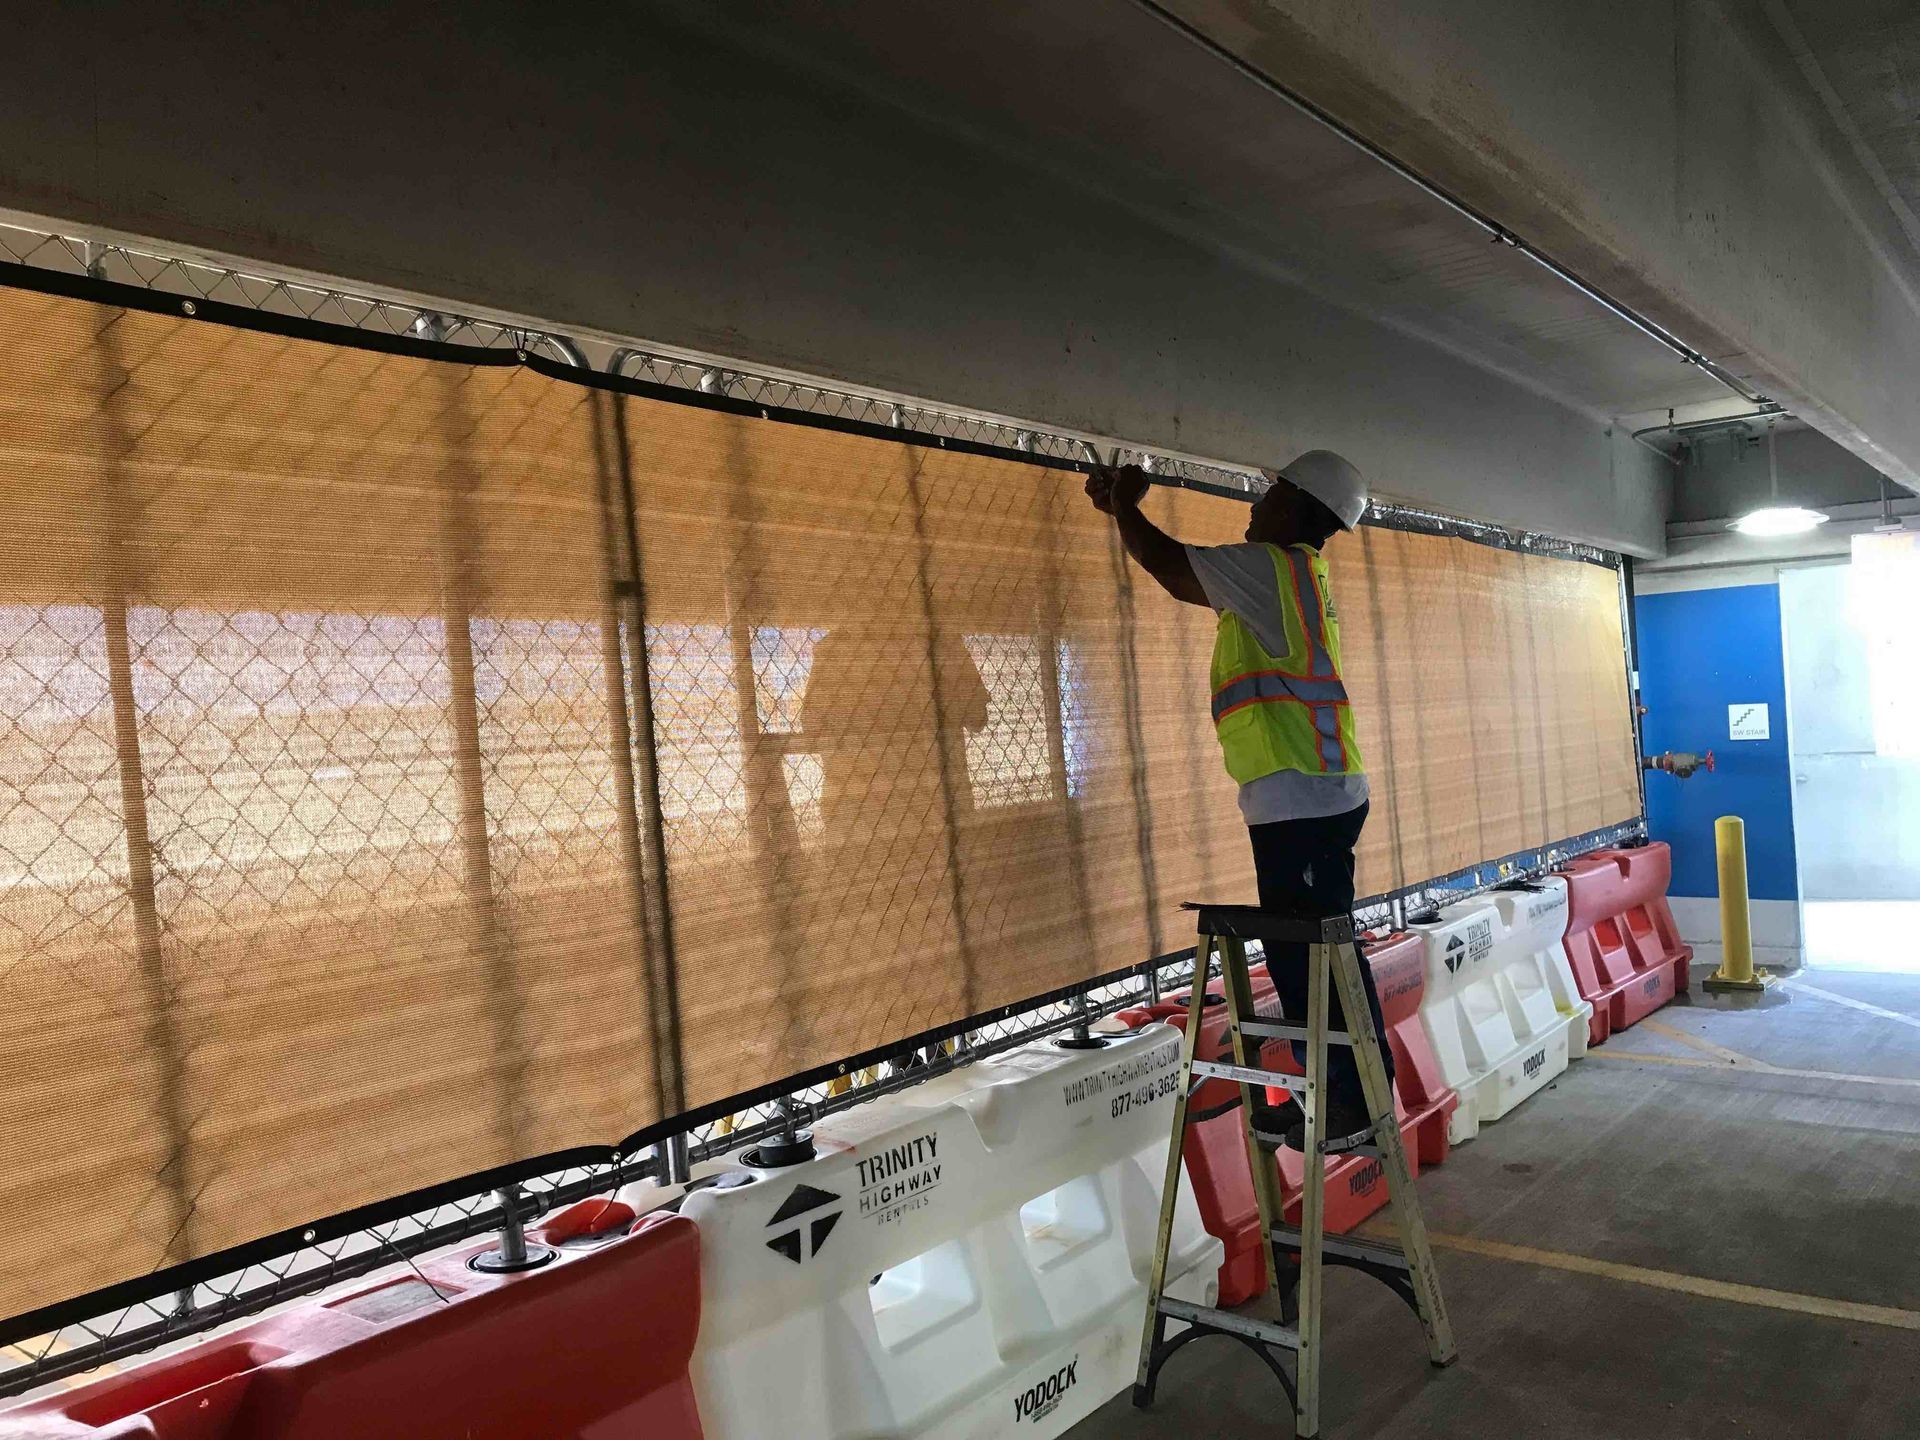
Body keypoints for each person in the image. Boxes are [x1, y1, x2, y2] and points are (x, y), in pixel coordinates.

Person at [1085, 451, 1390, 1149]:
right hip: (1300, 793)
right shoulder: (1293, 577)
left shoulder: (1273, 570)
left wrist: (1126, 506)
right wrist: (1122, 510)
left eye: (1272, 492)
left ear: (1303, 507)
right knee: (1307, 958)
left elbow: (1169, 565)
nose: (1257, 503)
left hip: (1303, 795)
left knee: (1317, 960)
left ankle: (1356, 1105)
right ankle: (1332, 1097)